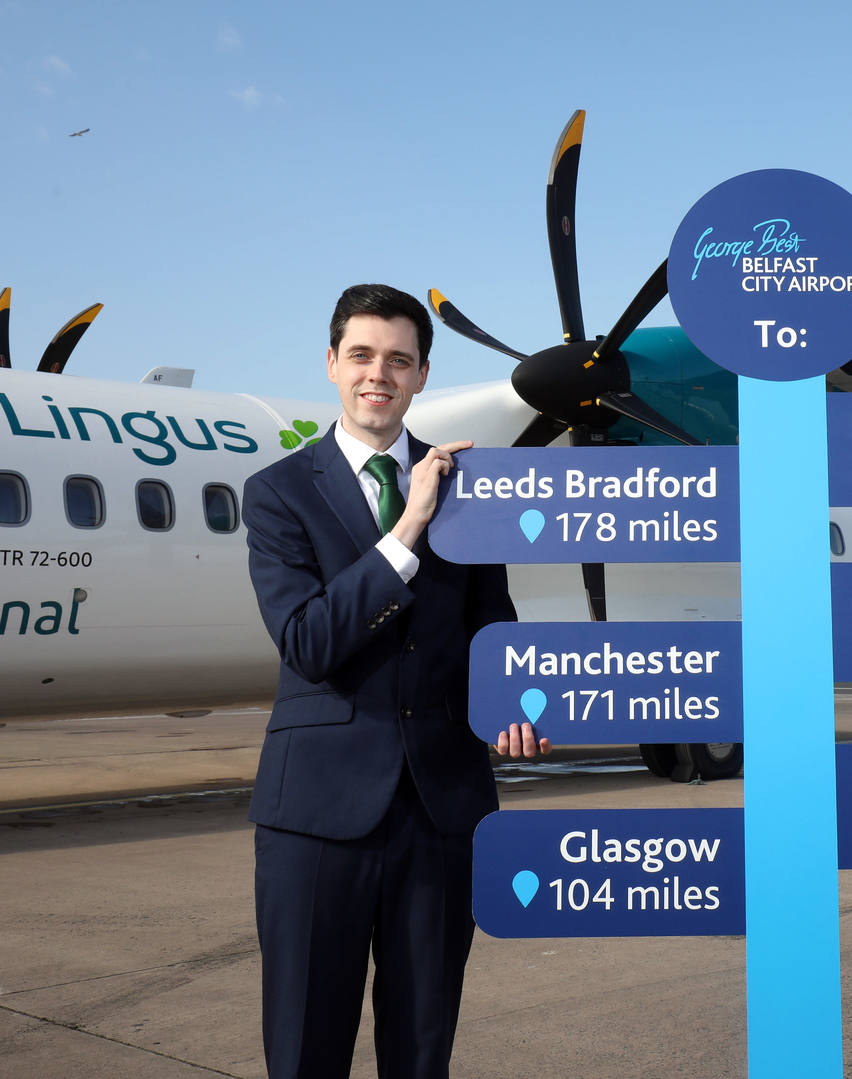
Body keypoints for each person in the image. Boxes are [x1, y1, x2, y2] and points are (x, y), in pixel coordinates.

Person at [242, 283, 549, 1079]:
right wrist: (410, 525)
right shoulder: (278, 493)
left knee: (421, 1050)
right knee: (307, 1045)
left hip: (441, 808)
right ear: (334, 365)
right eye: (363, 355)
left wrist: (510, 700)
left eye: (400, 360)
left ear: (420, 375)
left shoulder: (469, 493)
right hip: (315, 815)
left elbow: (491, 619)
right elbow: (310, 641)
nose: (380, 373)